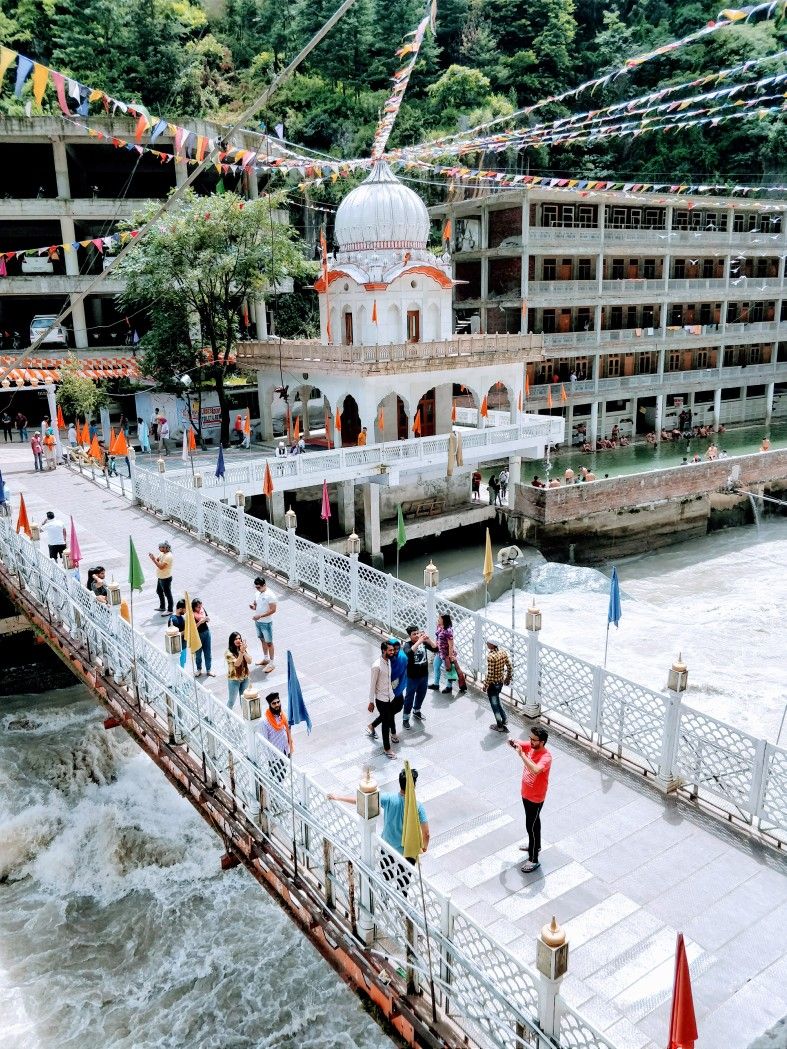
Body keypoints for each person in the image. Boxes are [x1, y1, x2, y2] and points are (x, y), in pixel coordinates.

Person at [328, 767, 430, 890]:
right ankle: (400, 900)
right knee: (403, 884)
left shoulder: (389, 799)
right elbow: (426, 834)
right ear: (413, 785)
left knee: (386, 880)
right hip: (406, 853)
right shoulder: (418, 807)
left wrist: (338, 797)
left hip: (387, 847)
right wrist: (424, 847)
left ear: (400, 783)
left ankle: (385, 898)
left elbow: (362, 800)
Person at [509, 726, 552, 873]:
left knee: (530, 826)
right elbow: (518, 743)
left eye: (534, 740)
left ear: (542, 741)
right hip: (526, 794)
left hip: (536, 798)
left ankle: (533, 859)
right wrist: (512, 742)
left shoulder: (546, 757)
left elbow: (536, 769)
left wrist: (522, 755)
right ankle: (536, 845)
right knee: (535, 822)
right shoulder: (531, 746)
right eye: (530, 738)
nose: (531, 741)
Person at [402, 624, 438, 728]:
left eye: (418, 633)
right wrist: (419, 642)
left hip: (424, 675)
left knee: (421, 694)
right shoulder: (407, 645)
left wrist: (428, 639)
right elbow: (409, 654)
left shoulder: (423, 643)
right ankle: (405, 718)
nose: (417, 635)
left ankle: (416, 710)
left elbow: (436, 649)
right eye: (414, 634)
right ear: (410, 636)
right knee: (409, 697)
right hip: (412, 677)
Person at [368, 639, 396, 758]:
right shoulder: (376, 666)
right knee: (386, 723)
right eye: (390, 650)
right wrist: (371, 702)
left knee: (388, 717)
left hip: (390, 697)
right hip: (381, 699)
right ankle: (387, 748)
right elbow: (372, 685)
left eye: (393, 650)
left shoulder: (389, 661)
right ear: (384, 651)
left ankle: (372, 726)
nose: (393, 652)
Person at [429, 612, 465, 695]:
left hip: (446, 654)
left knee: (449, 670)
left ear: (444, 620)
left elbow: (451, 644)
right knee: (436, 666)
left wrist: (450, 656)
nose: (438, 619)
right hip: (439, 652)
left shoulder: (448, 630)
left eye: (439, 618)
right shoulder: (439, 626)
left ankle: (449, 687)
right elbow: (437, 637)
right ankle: (436, 684)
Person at [260, 690, 293, 782]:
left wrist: (289, 749)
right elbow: (265, 742)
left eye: (278, 702)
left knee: (283, 776)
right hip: (274, 757)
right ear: (270, 705)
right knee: (277, 779)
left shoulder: (282, 715)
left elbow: (286, 731)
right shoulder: (265, 722)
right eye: (274, 703)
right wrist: (271, 759)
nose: (277, 705)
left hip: (285, 751)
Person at [484, 639, 512, 733]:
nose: (487, 644)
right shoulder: (503, 652)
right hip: (500, 683)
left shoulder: (491, 657)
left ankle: (499, 726)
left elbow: (490, 674)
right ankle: (505, 719)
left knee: (494, 705)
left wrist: (485, 685)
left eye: (488, 643)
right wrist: (508, 677)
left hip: (492, 685)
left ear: (492, 645)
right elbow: (509, 666)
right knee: (497, 700)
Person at [250, 576, 277, 673]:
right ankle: (266, 658)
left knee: (269, 642)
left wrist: (260, 616)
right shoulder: (257, 593)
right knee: (262, 640)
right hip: (258, 621)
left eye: (259, 587)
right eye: (256, 587)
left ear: (264, 585)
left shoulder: (270, 595)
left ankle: (272, 663)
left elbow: (273, 610)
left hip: (266, 623)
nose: (257, 589)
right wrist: (253, 606)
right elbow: (256, 604)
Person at [225, 631, 251, 708]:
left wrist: (243, 651)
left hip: (245, 678)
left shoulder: (243, 649)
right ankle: (227, 715)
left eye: (239, 638)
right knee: (231, 701)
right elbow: (237, 664)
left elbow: (249, 661)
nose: (238, 640)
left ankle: (244, 715)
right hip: (234, 680)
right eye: (235, 639)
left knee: (244, 701)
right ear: (232, 641)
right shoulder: (228, 653)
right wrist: (241, 651)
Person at [149, 540, 174, 616]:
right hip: (160, 577)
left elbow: (161, 567)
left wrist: (153, 559)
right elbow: (157, 560)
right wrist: (153, 558)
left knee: (168, 594)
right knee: (159, 591)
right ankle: (162, 606)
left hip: (166, 578)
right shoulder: (162, 553)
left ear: (165, 548)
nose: (159, 548)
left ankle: (170, 610)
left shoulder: (168, 556)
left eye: (160, 547)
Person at [389, 638, 408, 739]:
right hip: (388, 690)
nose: (395, 651)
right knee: (391, 712)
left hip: (398, 688)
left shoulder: (402, 658)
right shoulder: (386, 660)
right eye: (393, 649)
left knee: (399, 707)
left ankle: (373, 725)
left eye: (397, 649)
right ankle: (393, 733)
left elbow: (404, 671)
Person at [191, 598, 214, 677]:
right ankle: (199, 669)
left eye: (201, 606)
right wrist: (201, 621)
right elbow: (193, 627)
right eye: (198, 607)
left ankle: (209, 670)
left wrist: (207, 619)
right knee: (198, 654)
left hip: (206, 632)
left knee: (208, 652)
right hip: (197, 635)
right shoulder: (191, 614)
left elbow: (208, 619)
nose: (200, 608)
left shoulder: (202, 610)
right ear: (194, 607)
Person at [168, 600, 188, 668]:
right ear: (180, 609)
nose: (186, 611)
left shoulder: (181, 617)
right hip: (178, 649)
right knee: (179, 667)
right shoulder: (172, 620)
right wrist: (186, 630)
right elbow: (173, 636)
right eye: (185, 609)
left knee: (183, 664)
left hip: (183, 646)